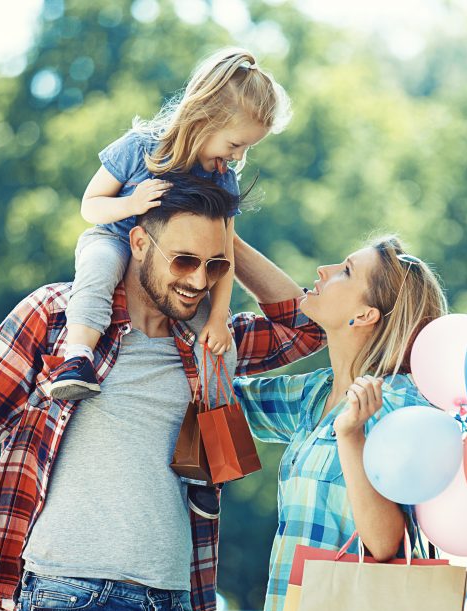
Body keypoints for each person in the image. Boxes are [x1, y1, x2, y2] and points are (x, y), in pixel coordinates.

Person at [0, 180, 324, 611]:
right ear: (136, 243)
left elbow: (309, 327)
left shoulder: (211, 340)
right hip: (71, 607)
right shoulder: (59, 317)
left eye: (213, 266)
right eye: (183, 260)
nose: (199, 280)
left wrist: (225, 238)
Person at [232, 235, 449, 611]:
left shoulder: (401, 404)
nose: (323, 271)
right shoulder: (315, 396)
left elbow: (386, 541)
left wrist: (351, 437)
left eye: (345, 271)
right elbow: (220, 397)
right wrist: (223, 241)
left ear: (365, 314)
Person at [50, 46, 290, 400]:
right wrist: (131, 204)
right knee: (98, 272)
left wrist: (219, 317)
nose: (239, 156)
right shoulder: (139, 148)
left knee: (215, 339)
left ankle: (214, 412)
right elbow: (90, 206)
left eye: (247, 149)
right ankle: (77, 357)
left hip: (181, 271)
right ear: (205, 118)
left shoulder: (222, 178)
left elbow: (224, 254)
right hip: (115, 237)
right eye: (236, 144)